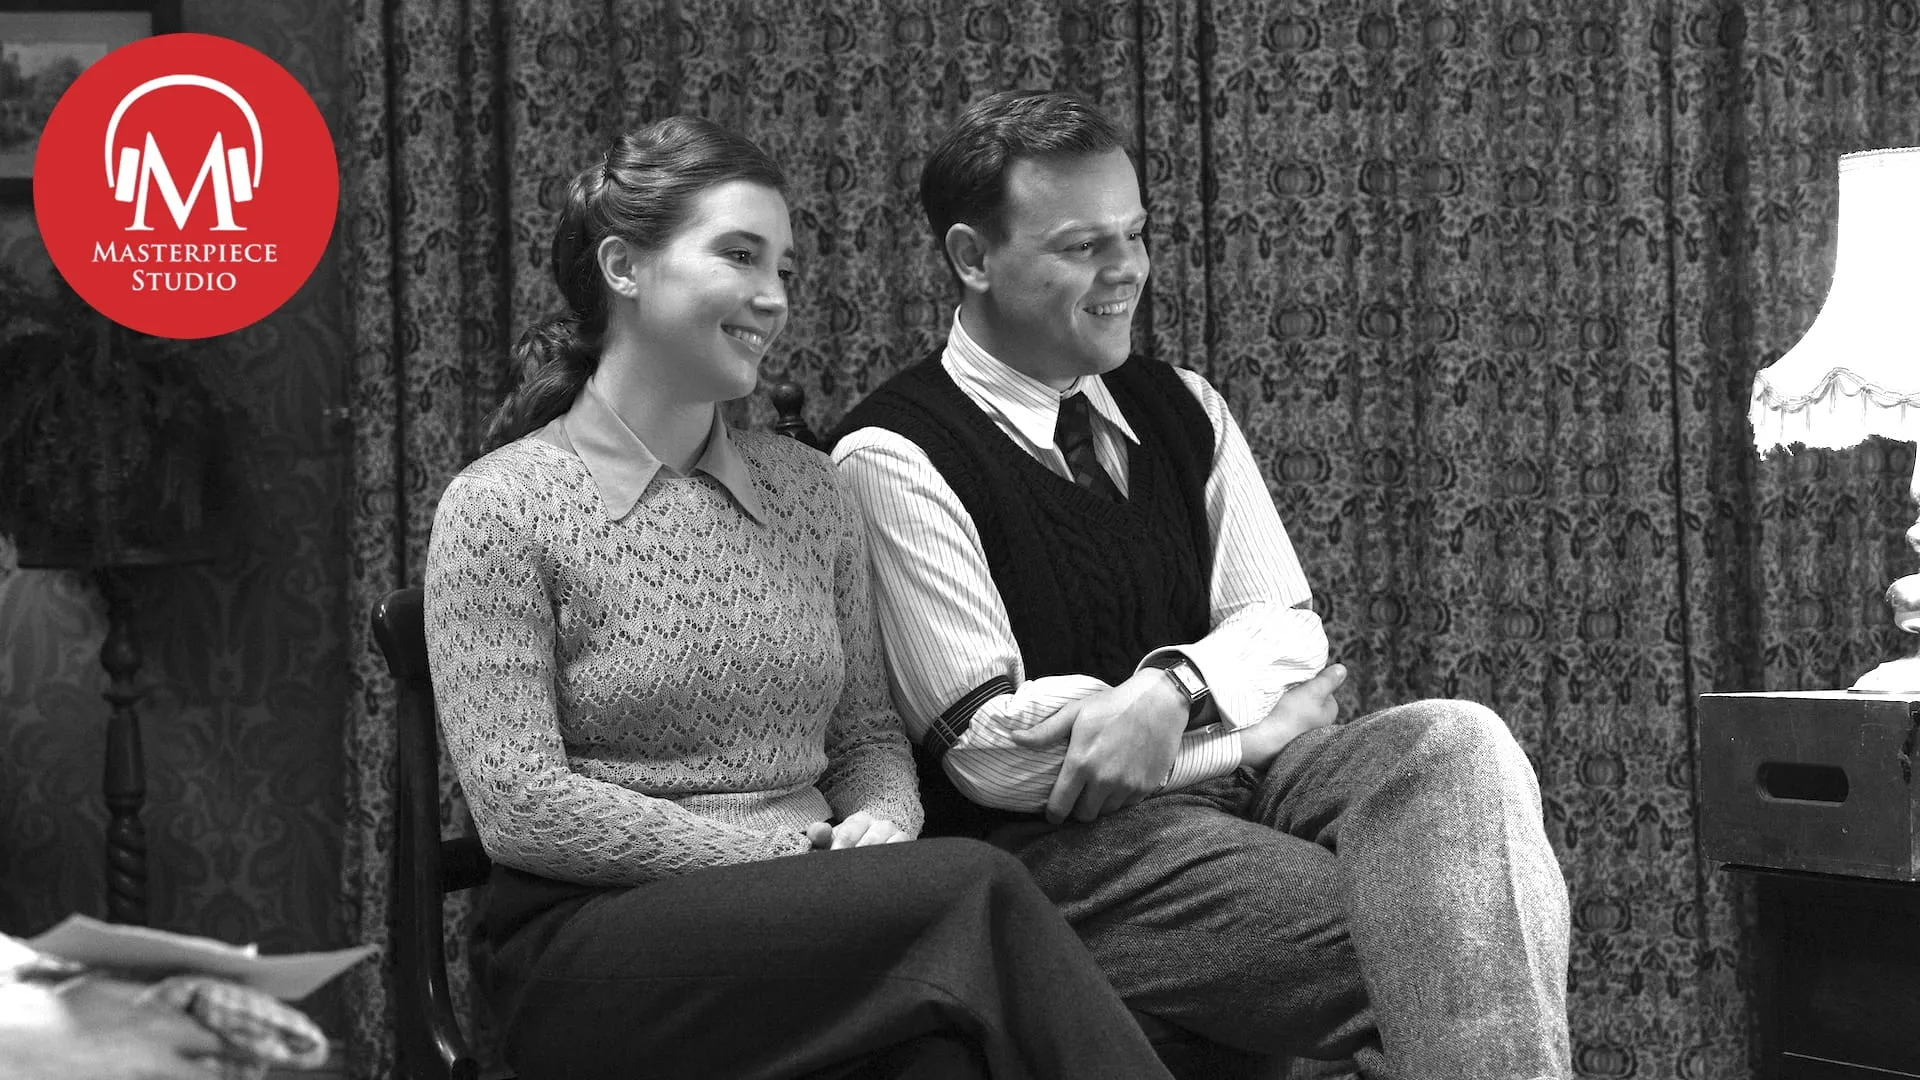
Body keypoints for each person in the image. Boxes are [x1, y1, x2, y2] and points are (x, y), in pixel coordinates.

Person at [831, 90, 1572, 1080]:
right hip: (1074, 862)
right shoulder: (893, 454)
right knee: (1465, 940)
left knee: (1453, 740)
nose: (1127, 270)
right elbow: (995, 756)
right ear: (973, 259)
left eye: (1135, 235)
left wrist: (1167, 692)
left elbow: (1294, 633)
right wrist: (1256, 720)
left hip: (1257, 790)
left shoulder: (1183, 405)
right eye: (1084, 246)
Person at [423, 115, 1173, 1080]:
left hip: (814, 916)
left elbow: (866, 738)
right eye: (740, 256)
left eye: (785, 268)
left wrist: (884, 829)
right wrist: (784, 861)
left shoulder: (811, 493)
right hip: (589, 951)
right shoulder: (500, 507)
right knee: (977, 889)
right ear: (622, 266)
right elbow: (522, 807)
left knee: (941, 1064)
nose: (773, 297)